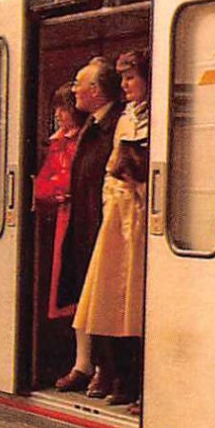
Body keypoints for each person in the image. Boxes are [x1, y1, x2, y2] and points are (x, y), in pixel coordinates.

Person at [74, 48, 150, 412]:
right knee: (112, 300)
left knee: (134, 302)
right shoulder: (126, 119)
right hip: (117, 216)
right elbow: (111, 166)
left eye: (131, 77)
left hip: (138, 215)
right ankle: (119, 374)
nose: (126, 85)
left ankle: (136, 382)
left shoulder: (150, 117)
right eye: (122, 78)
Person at [53, 58, 123, 396]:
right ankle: (90, 366)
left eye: (80, 83)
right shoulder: (95, 125)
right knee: (86, 297)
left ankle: (106, 370)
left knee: (103, 299)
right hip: (86, 224)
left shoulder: (114, 126)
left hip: (103, 225)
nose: (75, 89)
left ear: (95, 91)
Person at [32, 84, 81, 322]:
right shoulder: (58, 143)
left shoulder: (74, 142)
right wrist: (61, 188)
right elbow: (40, 188)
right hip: (63, 215)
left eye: (64, 108)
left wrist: (58, 186)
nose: (58, 115)